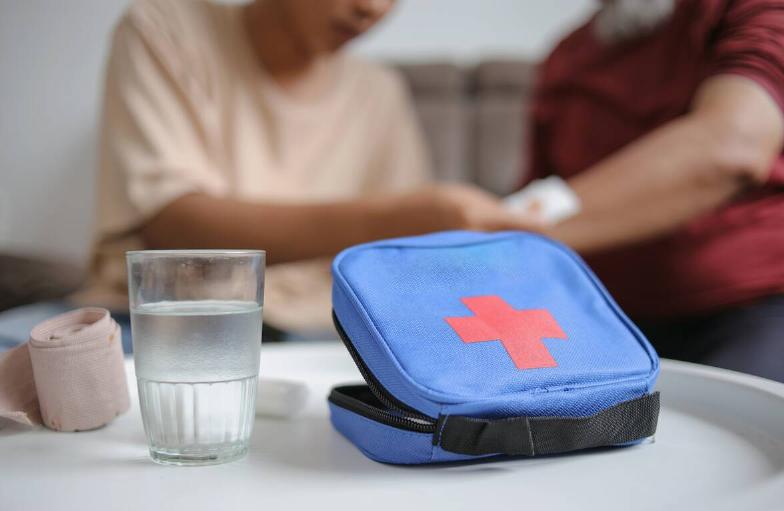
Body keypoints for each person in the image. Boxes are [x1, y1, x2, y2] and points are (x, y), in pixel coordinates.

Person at [70, 0, 540, 341]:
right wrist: (411, 216)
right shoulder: (165, 26)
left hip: (324, 331)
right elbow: (173, 229)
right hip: (163, 320)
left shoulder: (380, 92)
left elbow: (395, 270)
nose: (372, 8)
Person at [524, 0, 784, 381]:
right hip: (599, 317)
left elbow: (733, 145)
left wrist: (511, 224)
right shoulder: (568, 53)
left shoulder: (750, 9)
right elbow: (536, 194)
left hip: (752, 307)